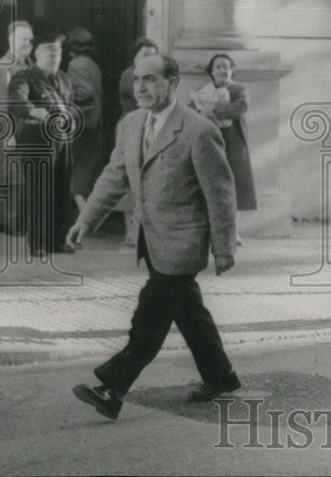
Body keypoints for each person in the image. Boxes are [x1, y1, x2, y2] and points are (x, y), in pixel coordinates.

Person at [67, 54, 241, 421]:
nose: (141, 87)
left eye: (150, 79)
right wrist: (87, 219)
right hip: (151, 238)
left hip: (182, 242)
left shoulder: (198, 130)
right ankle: (221, 377)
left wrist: (224, 248)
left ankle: (112, 388)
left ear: (173, 83)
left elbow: (221, 194)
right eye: (136, 80)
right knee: (189, 313)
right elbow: (115, 176)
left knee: (150, 316)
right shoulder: (131, 123)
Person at [8, 34, 77, 255]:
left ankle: (58, 240)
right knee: (39, 191)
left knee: (61, 189)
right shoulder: (24, 77)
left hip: (62, 140)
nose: (55, 58)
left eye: (58, 54)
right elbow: (18, 101)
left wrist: (71, 119)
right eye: (49, 54)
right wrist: (34, 111)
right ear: (37, 55)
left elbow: (69, 105)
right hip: (38, 141)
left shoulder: (64, 79)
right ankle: (37, 243)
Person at [188, 54, 257, 211]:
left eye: (226, 66)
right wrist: (200, 110)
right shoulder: (202, 91)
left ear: (232, 70)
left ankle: (234, 228)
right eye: (218, 67)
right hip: (208, 138)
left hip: (233, 139)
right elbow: (190, 111)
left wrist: (211, 108)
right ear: (211, 71)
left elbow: (240, 109)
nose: (222, 70)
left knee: (234, 180)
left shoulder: (239, 89)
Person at [0, 20, 34, 230]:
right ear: (11, 40)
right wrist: (7, 134)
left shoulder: (29, 66)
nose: (28, 43)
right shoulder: (2, 67)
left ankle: (21, 221)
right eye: (23, 39)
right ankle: (8, 222)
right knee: (10, 175)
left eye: (29, 39)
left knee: (24, 176)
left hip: (28, 129)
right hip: (11, 128)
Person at [116, 37, 160, 245]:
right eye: (144, 54)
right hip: (131, 126)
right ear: (135, 57)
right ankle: (130, 231)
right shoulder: (129, 76)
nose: (149, 58)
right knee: (129, 175)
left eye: (152, 54)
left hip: (150, 125)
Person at [65, 28, 105, 212]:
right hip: (95, 120)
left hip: (82, 121)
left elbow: (83, 92)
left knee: (78, 166)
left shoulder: (76, 65)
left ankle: (85, 211)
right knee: (87, 166)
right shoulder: (93, 64)